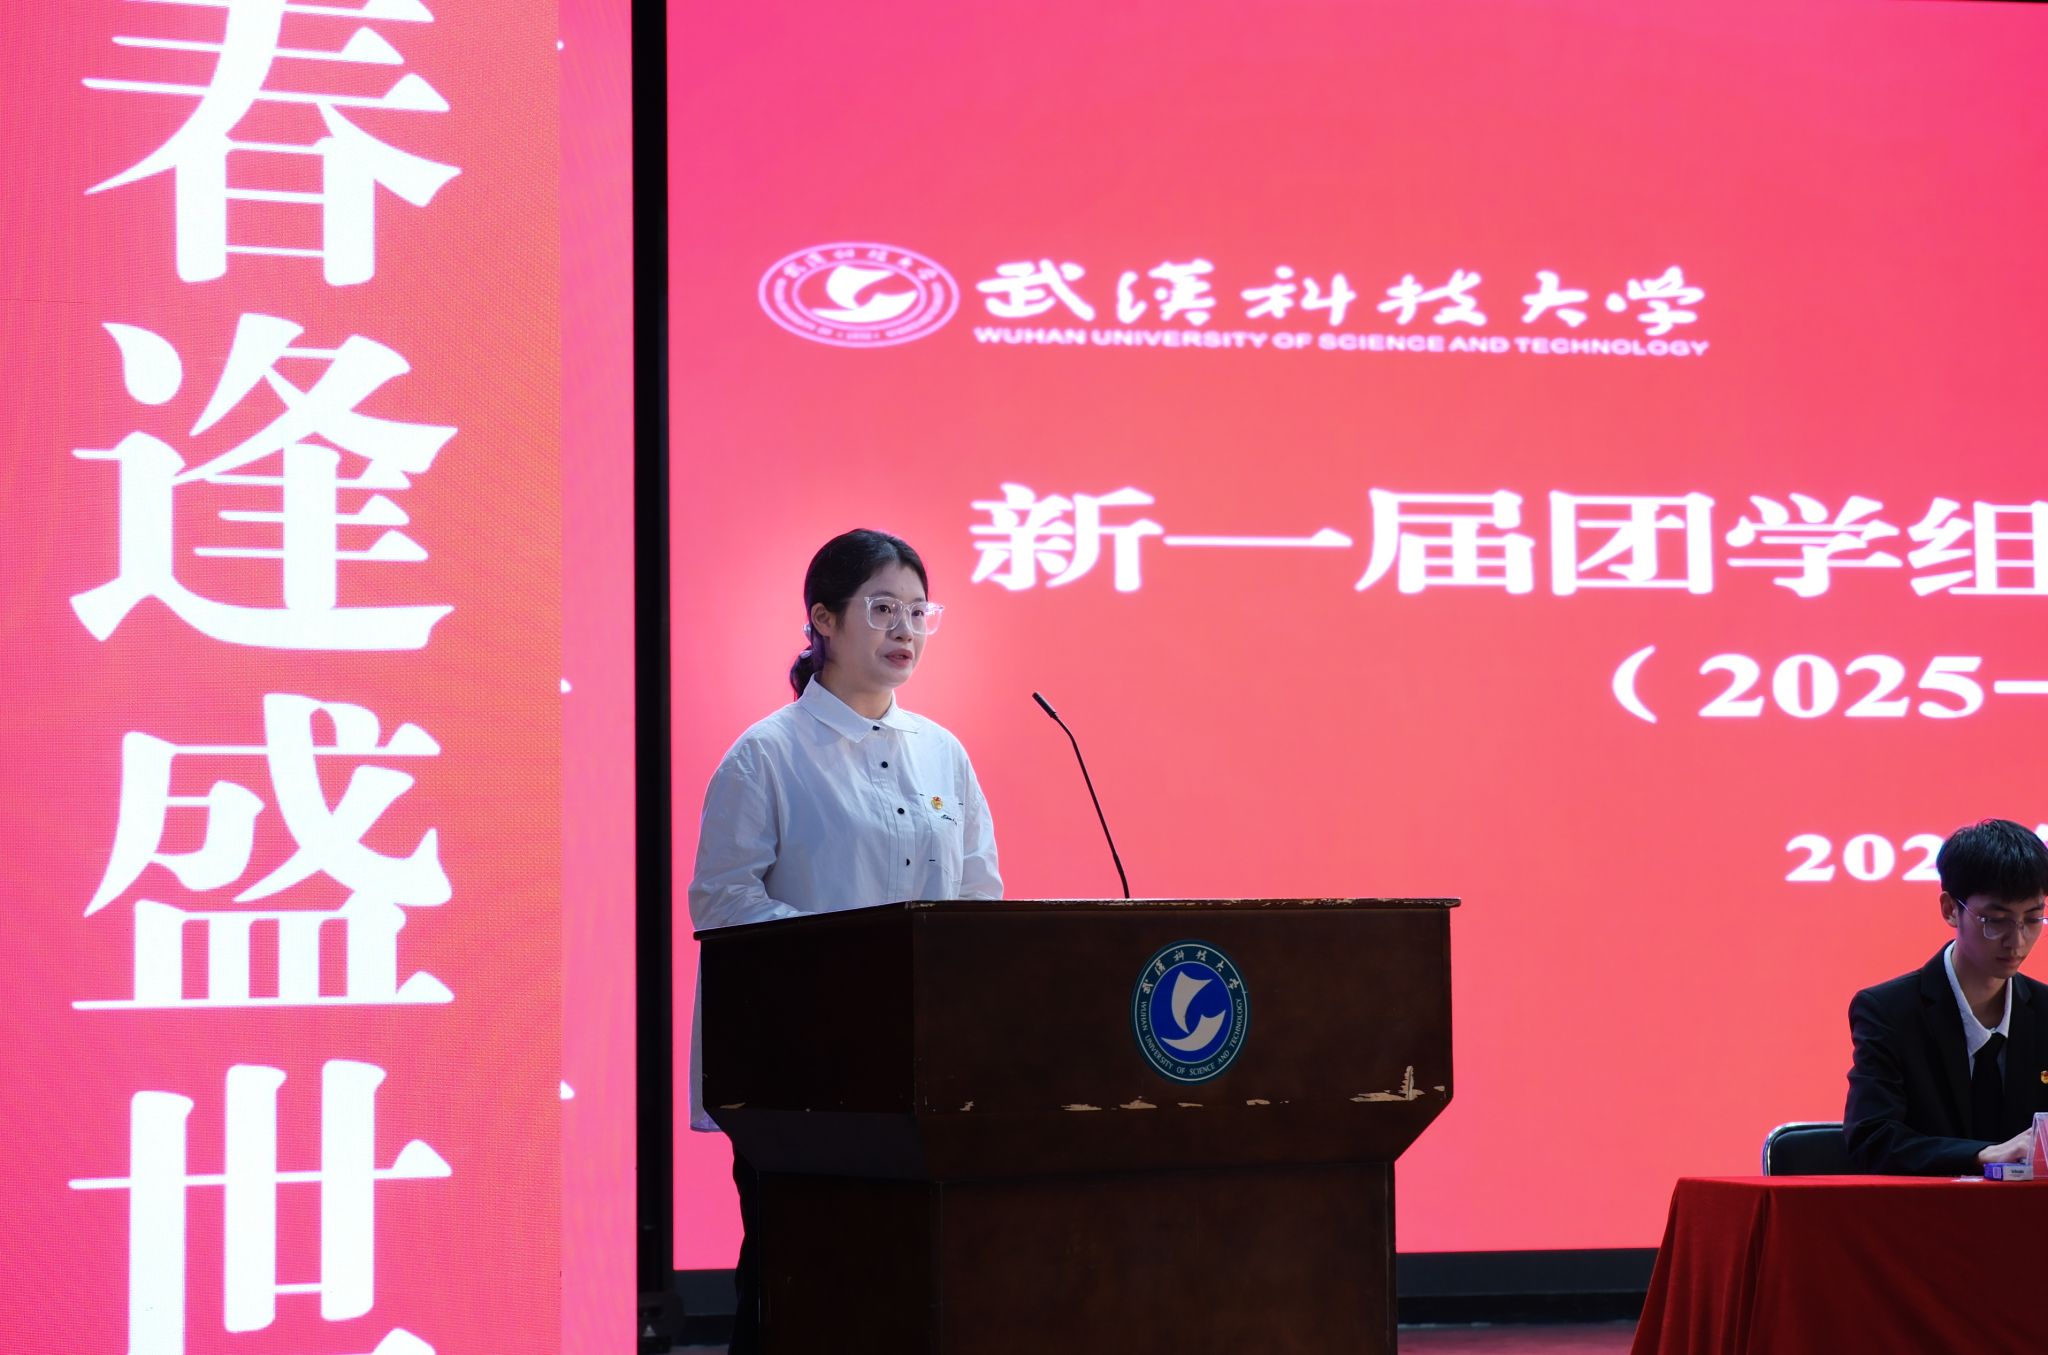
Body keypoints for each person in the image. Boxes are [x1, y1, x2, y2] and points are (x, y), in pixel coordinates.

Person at [686, 528, 1001, 1353]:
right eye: (882, 608)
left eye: (918, 612)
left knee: (908, 1280)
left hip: (922, 1068)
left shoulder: (943, 754)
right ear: (823, 620)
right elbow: (722, 902)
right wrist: (856, 956)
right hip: (801, 1068)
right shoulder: (767, 755)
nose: (905, 629)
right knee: (801, 1280)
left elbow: (979, 899)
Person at [1844, 818, 2048, 1175]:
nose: (2017, 941)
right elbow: (1872, 1139)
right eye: (1995, 920)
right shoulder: (1889, 1011)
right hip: (1925, 1208)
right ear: (1950, 909)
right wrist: (1983, 1154)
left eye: (2033, 920)